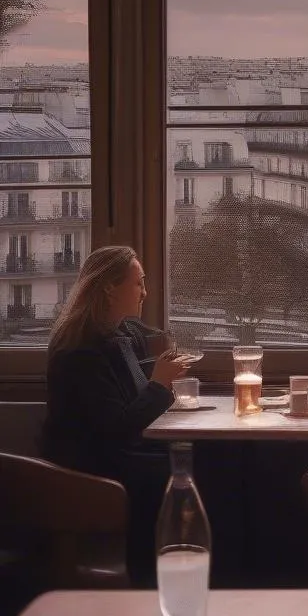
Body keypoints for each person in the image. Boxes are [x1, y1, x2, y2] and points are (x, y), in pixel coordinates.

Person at [41, 245, 193, 582]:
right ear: (110, 288)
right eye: (138, 283)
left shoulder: (119, 336)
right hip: (91, 477)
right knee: (192, 474)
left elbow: (129, 408)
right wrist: (159, 385)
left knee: (198, 464)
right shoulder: (79, 351)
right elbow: (117, 428)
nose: (145, 292)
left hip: (116, 460)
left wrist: (161, 382)